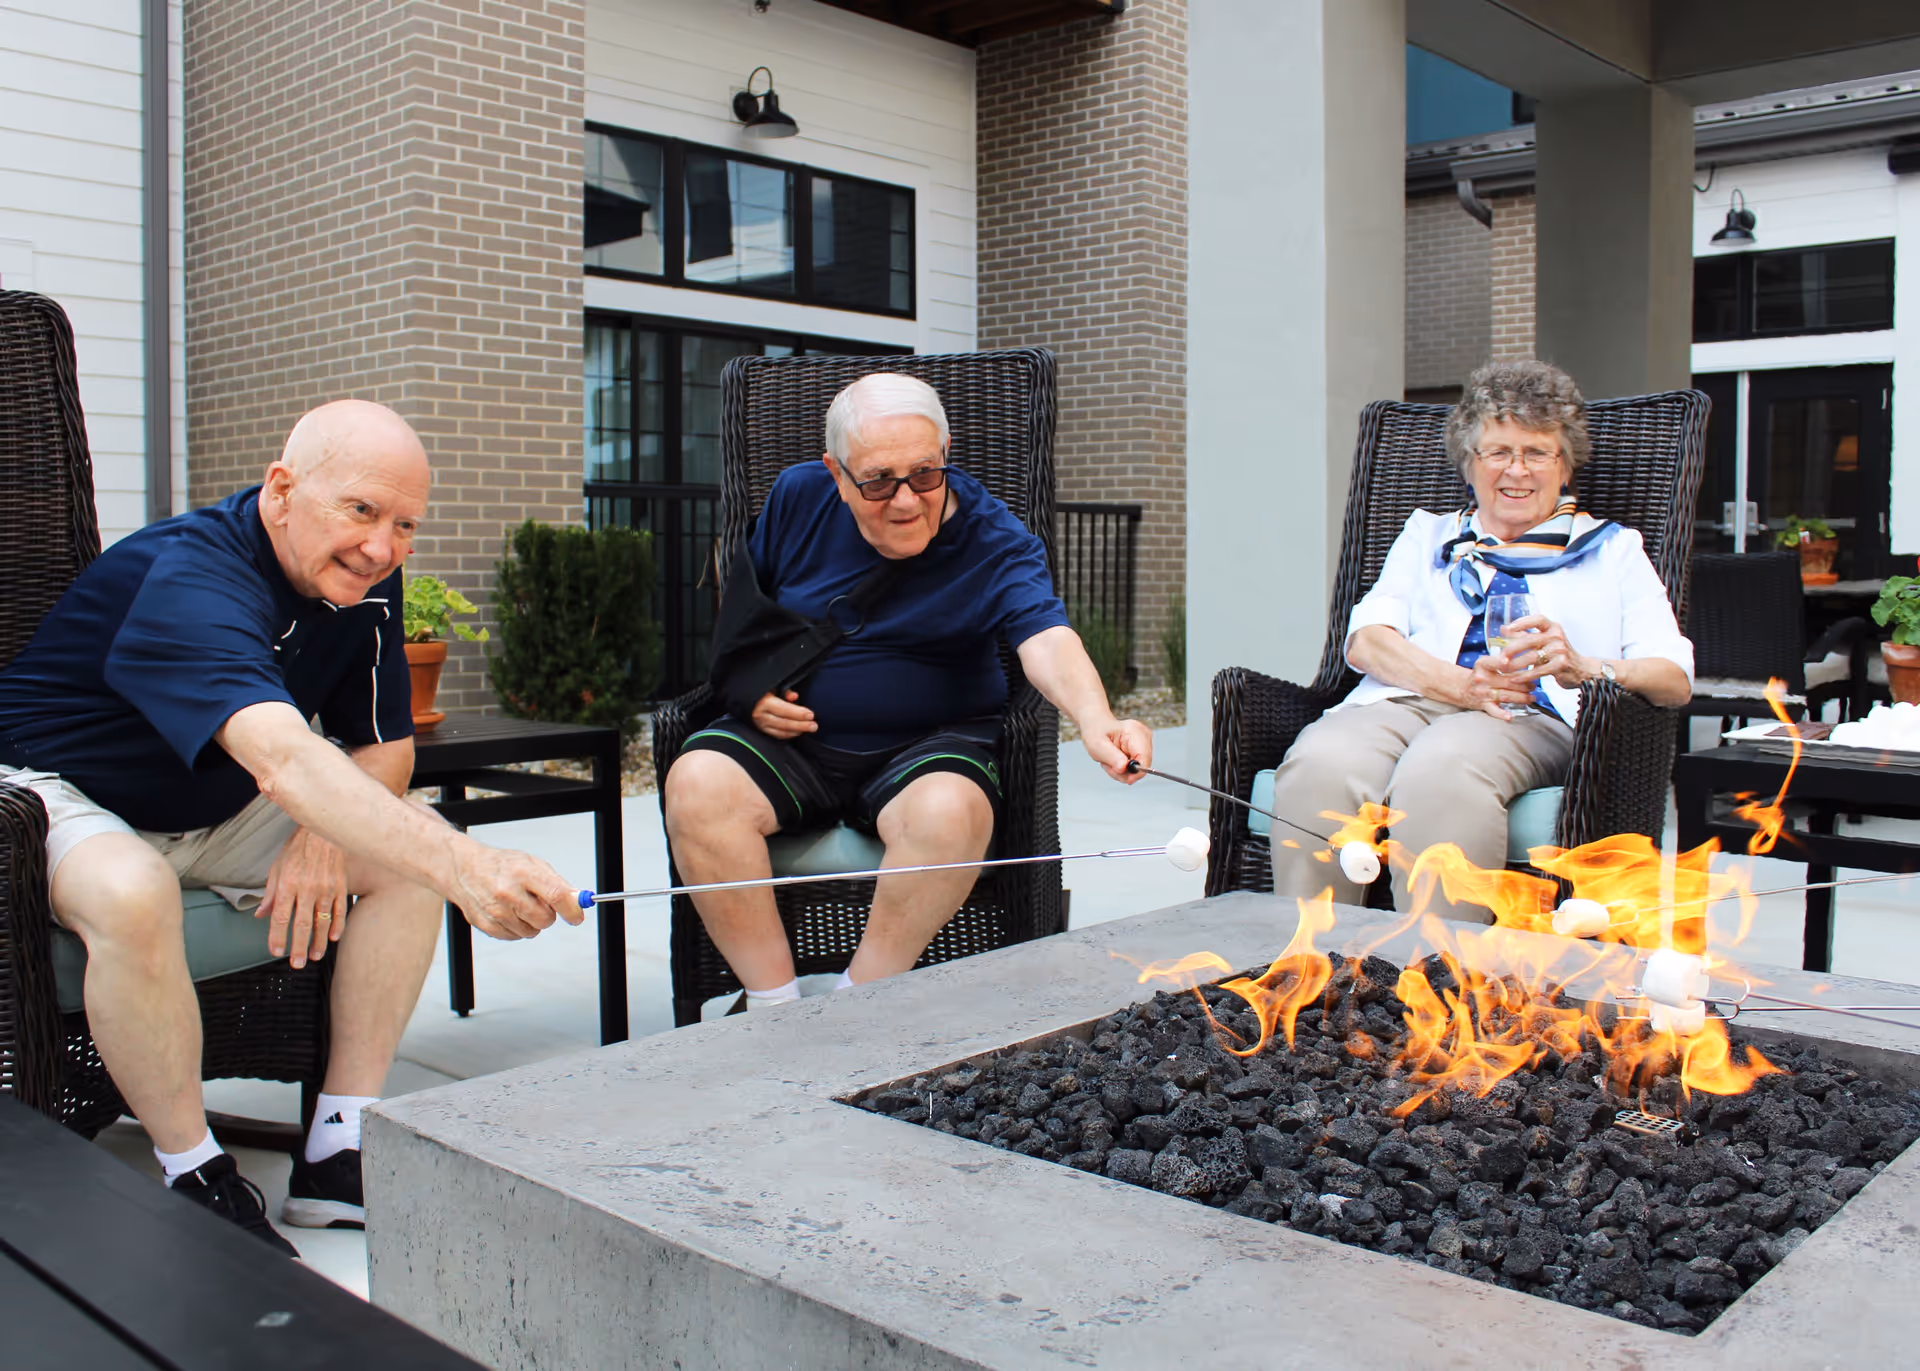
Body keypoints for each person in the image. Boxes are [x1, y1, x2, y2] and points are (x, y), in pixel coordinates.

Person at [0, 400, 581, 1256]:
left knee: (400, 854)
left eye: (405, 524)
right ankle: (194, 1173)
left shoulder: (364, 582)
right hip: (55, 790)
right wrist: (468, 865)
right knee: (131, 887)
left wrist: (325, 836)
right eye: (361, 510)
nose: (381, 547)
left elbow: (384, 745)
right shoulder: (194, 575)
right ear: (281, 490)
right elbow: (281, 755)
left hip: (210, 796)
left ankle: (338, 1147)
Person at [663, 373, 1152, 1007]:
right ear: (836, 474)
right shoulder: (799, 497)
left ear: (945, 452)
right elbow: (746, 616)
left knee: (950, 812)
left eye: (925, 474)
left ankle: (857, 1005)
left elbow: (1047, 639)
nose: (905, 501)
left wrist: (1096, 717)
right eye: (877, 481)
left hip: (927, 750)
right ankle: (773, 1006)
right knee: (696, 783)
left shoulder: (993, 538)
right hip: (793, 744)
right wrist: (750, 689)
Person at [1268, 360, 1693, 921]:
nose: (1517, 470)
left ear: (1565, 466)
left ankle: (1441, 969)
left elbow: (1674, 678)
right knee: (1321, 761)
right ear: (1469, 464)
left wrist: (1585, 666)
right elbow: (1367, 640)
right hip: (1412, 699)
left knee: (1443, 769)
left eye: (1537, 452)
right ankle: (1312, 959)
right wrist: (1461, 686)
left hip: (1530, 715)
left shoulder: (1613, 550)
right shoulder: (1428, 534)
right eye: (1498, 452)